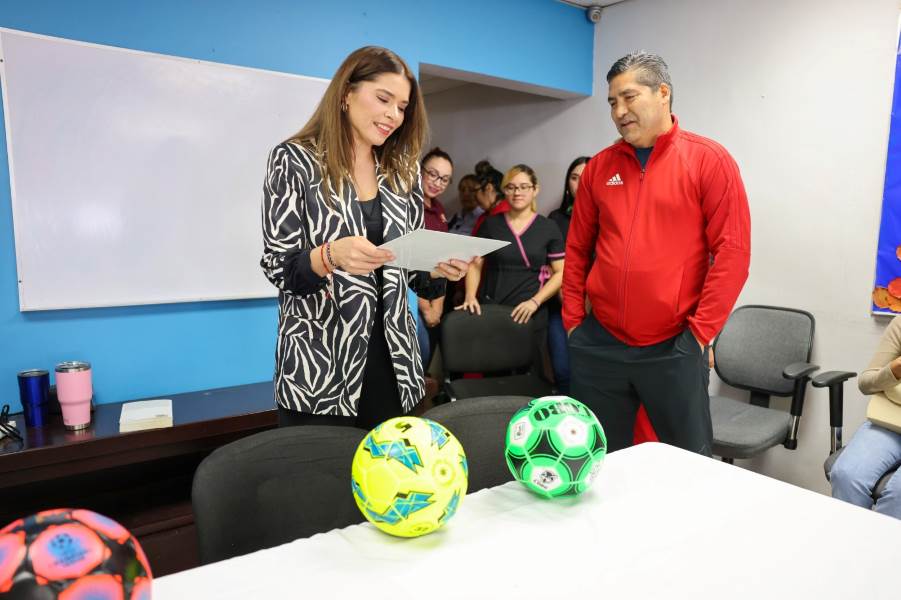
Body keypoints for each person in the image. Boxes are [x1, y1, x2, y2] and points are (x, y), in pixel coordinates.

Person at [260, 46, 470, 430]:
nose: (394, 115)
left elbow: (406, 269)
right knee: (323, 485)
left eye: (402, 106)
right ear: (346, 94)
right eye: (384, 99)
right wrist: (329, 256)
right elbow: (279, 266)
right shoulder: (294, 160)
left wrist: (439, 270)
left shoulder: (400, 172)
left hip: (395, 365)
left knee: (393, 484)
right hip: (321, 366)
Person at [563, 51, 751, 455]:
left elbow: (733, 254)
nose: (618, 111)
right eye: (612, 102)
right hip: (601, 344)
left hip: (674, 346)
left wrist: (699, 334)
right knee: (598, 463)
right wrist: (574, 323)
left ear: (662, 92)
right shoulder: (599, 167)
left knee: (686, 466)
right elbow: (577, 248)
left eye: (628, 97)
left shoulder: (708, 160)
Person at [458, 164, 565, 375]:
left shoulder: (547, 227)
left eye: (524, 186)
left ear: (535, 190)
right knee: (494, 371)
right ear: (504, 190)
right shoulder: (490, 224)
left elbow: (561, 272)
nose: (518, 192)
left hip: (530, 312)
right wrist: (470, 296)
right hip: (494, 308)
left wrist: (535, 302)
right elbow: (475, 263)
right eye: (511, 187)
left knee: (528, 375)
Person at [829, 316, 901, 518]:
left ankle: (883, 548)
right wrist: (893, 371)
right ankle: (848, 541)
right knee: (846, 474)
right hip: (889, 423)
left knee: (899, 494)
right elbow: (866, 383)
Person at [546, 156, 589, 393]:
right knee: (562, 370)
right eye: (574, 178)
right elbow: (556, 267)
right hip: (561, 304)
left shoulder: (606, 214)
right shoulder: (555, 219)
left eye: (585, 178)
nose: (579, 184)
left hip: (597, 308)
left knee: (591, 373)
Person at [418, 147, 453, 369]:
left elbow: (443, 262)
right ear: (420, 171)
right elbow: (402, 264)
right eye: (432, 174)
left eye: (445, 179)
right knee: (417, 354)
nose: (437, 182)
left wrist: (438, 306)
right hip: (411, 298)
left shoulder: (439, 210)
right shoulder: (406, 206)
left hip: (435, 295)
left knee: (427, 361)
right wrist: (426, 308)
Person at [471, 160, 507, 235]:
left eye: (475, 191)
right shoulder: (486, 216)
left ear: (488, 188)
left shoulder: (506, 216)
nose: (474, 196)